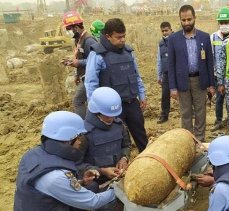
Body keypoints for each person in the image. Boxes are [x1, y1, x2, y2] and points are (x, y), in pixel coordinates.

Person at [14, 111, 116, 211]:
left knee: (92, 186)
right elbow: (93, 202)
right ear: (67, 139)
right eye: (78, 137)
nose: (80, 141)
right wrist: (118, 191)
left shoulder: (34, 154)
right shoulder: (54, 177)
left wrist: (81, 182)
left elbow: (48, 189)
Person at [85, 18, 148, 152]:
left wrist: (142, 95)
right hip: (111, 109)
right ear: (108, 36)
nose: (122, 40)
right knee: (118, 139)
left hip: (132, 102)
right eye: (118, 37)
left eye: (124, 36)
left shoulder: (128, 52)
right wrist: (95, 108)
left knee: (141, 136)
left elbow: (136, 75)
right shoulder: (97, 55)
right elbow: (91, 83)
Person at [168, 5, 215, 142]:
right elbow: (171, 65)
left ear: (194, 18)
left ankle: (199, 140)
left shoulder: (205, 37)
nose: (186, 22)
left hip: (200, 81)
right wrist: (172, 87)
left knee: (201, 112)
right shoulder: (173, 39)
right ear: (180, 20)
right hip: (182, 81)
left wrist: (211, 84)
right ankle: (188, 141)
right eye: (183, 20)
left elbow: (209, 63)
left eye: (189, 19)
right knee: (186, 113)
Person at [79, 87, 131, 185]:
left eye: (113, 115)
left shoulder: (119, 126)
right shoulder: (83, 134)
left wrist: (124, 158)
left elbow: (126, 145)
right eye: (107, 115)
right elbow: (76, 164)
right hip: (94, 184)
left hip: (119, 178)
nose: (111, 118)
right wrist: (102, 171)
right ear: (96, 112)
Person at [62, 11, 97, 119]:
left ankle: (84, 127)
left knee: (78, 101)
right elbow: (79, 57)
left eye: (69, 29)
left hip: (91, 77)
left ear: (76, 27)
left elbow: (96, 61)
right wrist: (77, 73)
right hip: (84, 76)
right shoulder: (78, 40)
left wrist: (79, 63)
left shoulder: (89, 41)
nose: (68, 32)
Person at [209, 7, 229, 132]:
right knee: (219, 99)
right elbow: (211, 57)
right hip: (218, 75)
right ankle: (218, 120)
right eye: (221, 22)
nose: (224, 25)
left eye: (226, 22)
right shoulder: (213, 37)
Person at [156, 21, 173, 124]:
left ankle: (190, 112)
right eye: (163, 31)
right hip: (166, 74)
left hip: (176, 72)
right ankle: (164, 115)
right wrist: (159, 75)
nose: (165, 33)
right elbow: (159, 60)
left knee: (183, 94)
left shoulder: (177, 40)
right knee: (165, 95)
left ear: (171, 30)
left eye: (166, 30)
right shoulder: (161, 44)